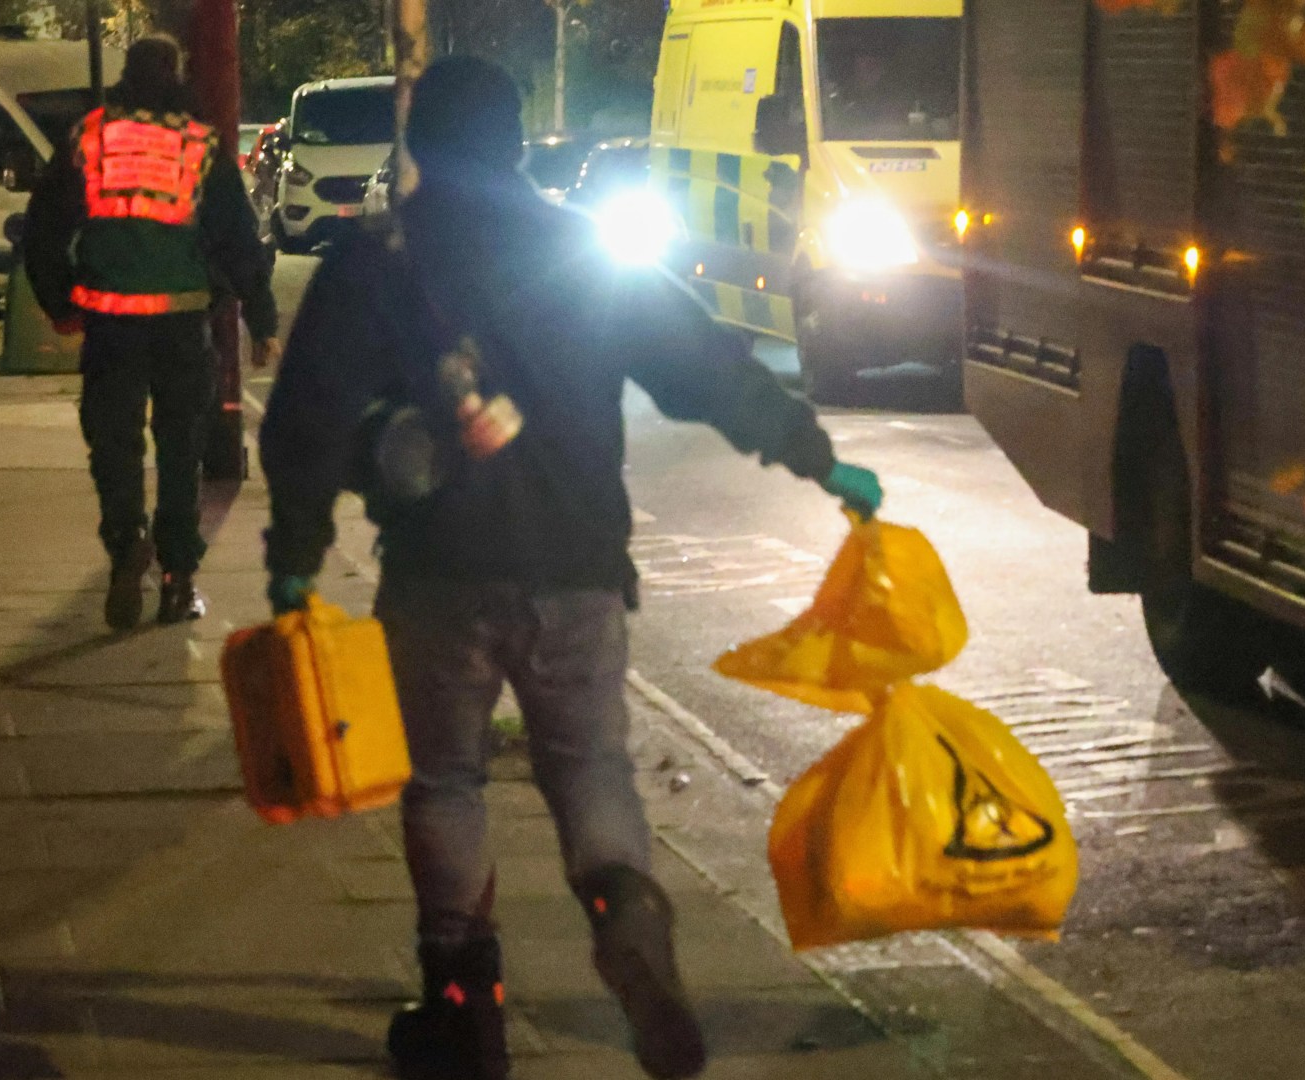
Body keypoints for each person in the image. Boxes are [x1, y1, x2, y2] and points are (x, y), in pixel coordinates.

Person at [258, 56, 882, 1080]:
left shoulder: (381, 260)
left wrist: (294, 561)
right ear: (514, 145)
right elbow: (704, 369)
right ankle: (625, 905)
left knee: (446, 779)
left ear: (421, 145)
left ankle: (460, 1001)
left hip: (439, 572)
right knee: (590, 765)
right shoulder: (584, 252)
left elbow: (310, 419)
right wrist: (817, 457)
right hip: (578, 564)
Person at [26, 34, 279, 630]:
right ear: (177, 76)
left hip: (111, 324)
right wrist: (261, 319)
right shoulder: (199, 145)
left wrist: (61, 303)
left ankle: (125, 547)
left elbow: (42, 229)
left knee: (114, 444)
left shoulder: (89, 136)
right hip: (181, 322)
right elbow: (237, 239)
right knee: (179, 449)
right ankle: (177, 577)